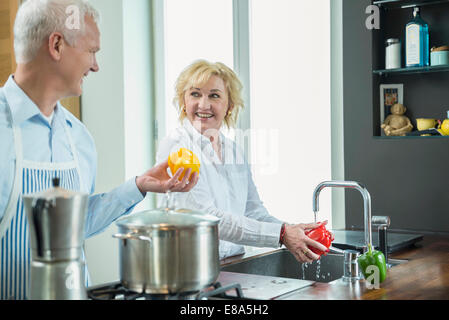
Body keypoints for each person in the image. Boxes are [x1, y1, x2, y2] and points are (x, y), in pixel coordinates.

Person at [0, 0, 198, 300]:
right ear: (56, 45)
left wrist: (138, 186)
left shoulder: (78, 137)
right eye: (92, 51)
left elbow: (75, 226)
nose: (95, 65)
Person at [156, 60, 328, 262]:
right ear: (183, 102)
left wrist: (291, 230)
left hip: (231, 264)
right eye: (195, 94)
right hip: (189, 270)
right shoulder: (178, 146)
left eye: (214, 95)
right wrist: (281, 234)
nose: (203, 104)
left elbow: (252, 210)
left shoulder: (232, 149)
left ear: (229, 105)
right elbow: (207, 220)